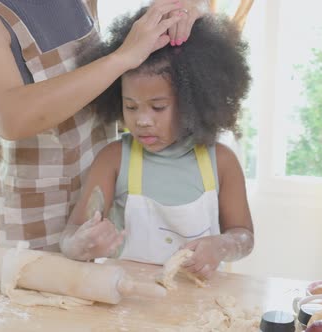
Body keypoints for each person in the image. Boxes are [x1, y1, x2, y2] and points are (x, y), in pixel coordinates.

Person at [0, 0, 210, 250]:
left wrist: (189, 7)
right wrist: (122, 57)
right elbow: (9, 119)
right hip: (28, 216)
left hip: (95, 197)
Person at [60, 8, 254, 279]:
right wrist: (80, 244)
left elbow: (243, 236)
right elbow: (71, 235)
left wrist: (222, 246)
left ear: (193, 104)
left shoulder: (221, 162)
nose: (142, 120)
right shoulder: (114, 158)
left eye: (158, 107)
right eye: (131, 106)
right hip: (128, 301)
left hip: (196, 303)